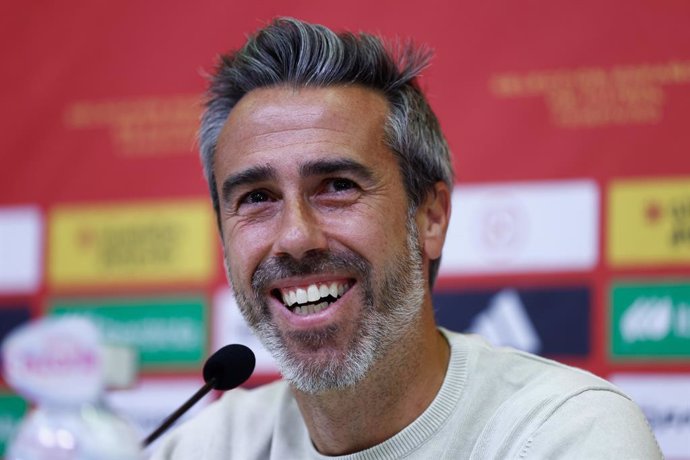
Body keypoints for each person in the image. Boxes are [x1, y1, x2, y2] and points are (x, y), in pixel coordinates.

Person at [152, 17, 661, 459]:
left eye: (336, 187)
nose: (295, 237)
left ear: (431, 217)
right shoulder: (202, 447)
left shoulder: (565, 434)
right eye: (257, 198)